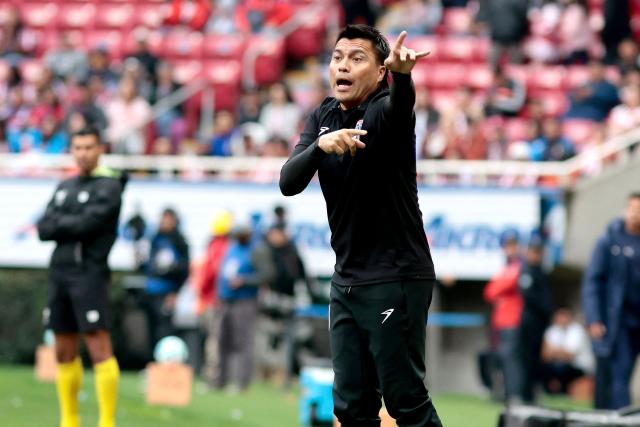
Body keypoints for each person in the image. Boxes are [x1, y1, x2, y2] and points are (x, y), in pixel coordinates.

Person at [279, 25, 442, 426]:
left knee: (405, 401)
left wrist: (403, 76)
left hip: (396, 276)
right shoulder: (324, 115)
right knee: (351, 407)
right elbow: (288, 182)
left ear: (379, 71)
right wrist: (321, 145)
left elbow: (401, 106)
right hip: (347, 280)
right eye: (337, 57)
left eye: (356, 58)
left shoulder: (387, 108)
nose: (343, 65)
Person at [36, 126, 126, 427]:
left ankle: (106, 422)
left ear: (100, 149)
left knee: (98, 344)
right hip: (60, 272)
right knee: (62, 349)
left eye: (89, 147)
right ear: (71, 150)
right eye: (78, 148)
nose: (83, 153)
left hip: (89, 273)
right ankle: (69, 421)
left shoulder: (109, 187)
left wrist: (63, 222)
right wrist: (67, 223)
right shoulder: (65, 185)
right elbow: (43, 228)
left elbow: (89, 224)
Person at [582, 192, 640, 409]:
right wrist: (594, 317)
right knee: (620, 374)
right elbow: (592, 282)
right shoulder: (609, 241)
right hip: (620, 321)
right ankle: (621, 419)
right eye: (633, 209)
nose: (636, 215)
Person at [215, 222, 275, 391]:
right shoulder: (232, 247)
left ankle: (242, 383)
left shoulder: (257, 249)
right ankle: (219, 380)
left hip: (245, 301)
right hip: (226, 300)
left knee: (243, 342)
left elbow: (268, 274)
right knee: (222, 340)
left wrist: (245, 281)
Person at [143, 208, 190, 353]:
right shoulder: (155, 238)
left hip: (166, 292)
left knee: (165, 330)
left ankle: (166, 365)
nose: (164, 223)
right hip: (151, 290)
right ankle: (153, 364)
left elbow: (184, 270)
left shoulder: (179, 241)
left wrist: (175, 293)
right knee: (151, 330)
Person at [483, 234, 524, 403]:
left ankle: (514, 395)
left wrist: (499, 286)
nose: (509, 250)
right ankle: (504, 393)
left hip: (512, 322)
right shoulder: (506, 268)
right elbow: (489, 292)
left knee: (511, 360)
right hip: (500, 322)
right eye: (507, 246)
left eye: (513, 246)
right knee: (500, 359)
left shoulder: (518, 267)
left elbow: (494, 289)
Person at [516, 236, 554, 403]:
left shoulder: (540, 271)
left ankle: (531, 394)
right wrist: (547, 309)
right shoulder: (527, 271)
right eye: (534, 251)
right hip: (529, 324)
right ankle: (525, 395)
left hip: (539, 325)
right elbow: (530, 297)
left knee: (536, 361)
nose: (537, 255)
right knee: (526, 361)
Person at [541, 307, 595, 394]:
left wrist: (553, 350)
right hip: (560, 365)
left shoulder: (577, 330)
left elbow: (568, 355)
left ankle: (563, 392)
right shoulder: (552, 330)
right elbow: (544, 355)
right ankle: (550, 392)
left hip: (579, 367)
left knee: (561, 368)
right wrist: (559, 352)